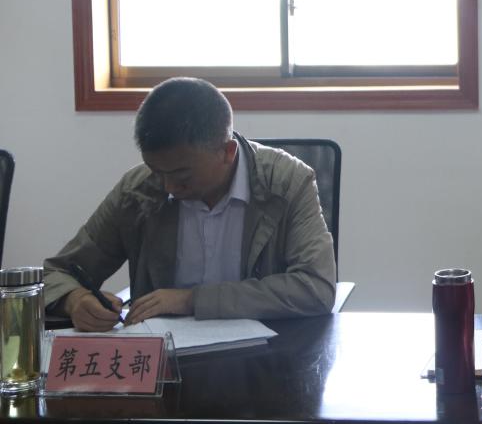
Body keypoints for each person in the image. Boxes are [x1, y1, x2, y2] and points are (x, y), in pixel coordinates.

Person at [45, 77, 336, 331]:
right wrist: (75, 300)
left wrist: (191, 300)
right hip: (164, 362)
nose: (168, 187)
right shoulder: (138, 190)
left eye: (182, 175)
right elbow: (55, 274)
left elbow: (315, 288)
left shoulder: (287, 183)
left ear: (227, 152)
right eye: (157, 171)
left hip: (267, 359)